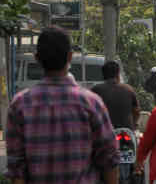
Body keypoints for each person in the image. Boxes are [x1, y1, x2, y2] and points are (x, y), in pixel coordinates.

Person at [5, 26, 119, 184]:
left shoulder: (19, 105)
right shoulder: (92, 103)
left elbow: (16, 169)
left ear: (37, 58)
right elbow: (109, 160)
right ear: (70, 57)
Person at [92, 61, 140, 130]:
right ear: (118, 74)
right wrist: (134, 124)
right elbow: (136, 111)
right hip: (126, 132)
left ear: (103, 75)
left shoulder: (95, 90)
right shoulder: (129, 89)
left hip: (104, 132)